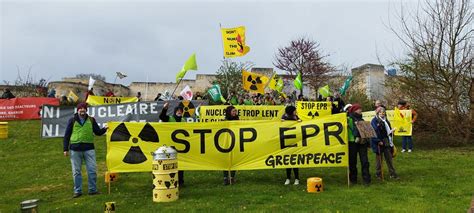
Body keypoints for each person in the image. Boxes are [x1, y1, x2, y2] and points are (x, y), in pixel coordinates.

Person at [63, 102, 107, 198]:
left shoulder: (91, 120)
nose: (82, 110)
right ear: (77, 110)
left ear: (86, 110)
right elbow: (66, 135)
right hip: (75, 150)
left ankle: (93, 190)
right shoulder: (72, 120)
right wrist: (65, 149)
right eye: (80, 108)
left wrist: (105, 128)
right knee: (76, 171)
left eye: (84, 108)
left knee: (92, 170)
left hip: (89, 149)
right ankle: (77, 191)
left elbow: (98, 132)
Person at [159, 102, 185, 186]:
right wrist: (164, 108)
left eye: (181, 111)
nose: (179, 112)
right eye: (178, 111)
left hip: (181, 146)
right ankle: (170, 180)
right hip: (170, 144)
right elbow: (162, 117)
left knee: (180, 163)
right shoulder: (169, 118)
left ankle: (180, 181)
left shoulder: (183, 120)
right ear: (175, 112)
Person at [371, 107, 399, 180]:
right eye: (380, 112)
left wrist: (391, 131)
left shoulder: (386, 120)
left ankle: (392, 174)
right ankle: (378, 175)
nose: (382, 113)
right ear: (377, 113)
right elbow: (373, 133)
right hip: (378, 143)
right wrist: (378, 141)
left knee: (389, 158)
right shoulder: (374, 121)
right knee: (379, 160)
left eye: (383, 112)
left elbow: (387, 131)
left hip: (386, 141)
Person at [347, 104, 371, 185]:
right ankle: (353, 179)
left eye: (360, 108)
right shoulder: (348, 119)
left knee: (365, 161)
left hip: (362, 143)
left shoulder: (362, 120)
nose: (360, 110)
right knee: (352, 162)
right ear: (354, 110)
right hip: (352, 143)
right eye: (358, 109)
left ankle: (366, 179)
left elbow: (367, 134)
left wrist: (368, 143)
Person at [281, 105, 301, 185]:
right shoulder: (284, 117)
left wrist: (299, 121)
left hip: (294, 142)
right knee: (288, 161)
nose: (295, 112)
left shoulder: (296, 117)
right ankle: (288, 178)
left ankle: (297, 178)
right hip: (287, 142)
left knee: (295, 161)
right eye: (294, 110)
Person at [222, 105, 239, 185]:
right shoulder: (224, 121)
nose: (235, 113)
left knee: (234, 160)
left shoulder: (238, 120)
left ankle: (232, 177)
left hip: (235, 142)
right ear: (229, 112)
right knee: (225, 160)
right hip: (226, 143)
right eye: (233, 111)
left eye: (235, 111)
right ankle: (225, 177)